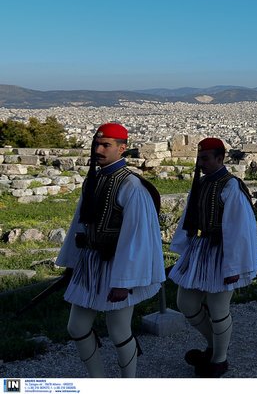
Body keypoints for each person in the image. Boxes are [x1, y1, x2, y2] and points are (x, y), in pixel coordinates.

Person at [55, 123, 164, 378]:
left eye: (106, 145)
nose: (99, 149)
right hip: (90, 263)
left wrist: (124, 282)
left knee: (119, 332)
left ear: (122, 149)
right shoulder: (93, 180)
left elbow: (137, 237)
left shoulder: (132, 187)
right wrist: (71, 263)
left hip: (118, 268)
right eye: (97, 144)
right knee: (77, 327)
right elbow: (79, 225)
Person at [168, 137, 257, 378]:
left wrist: (234, 266)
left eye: (206, 158)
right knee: (186, 302)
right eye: (199, 158)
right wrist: (184, 245)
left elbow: (238, 229)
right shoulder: (202, 184)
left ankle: (219, 359)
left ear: (220, 159)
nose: (201, 163)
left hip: (223, 252)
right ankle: (215, 344)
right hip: (200, 249)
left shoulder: (230, 186)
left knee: (219, 308)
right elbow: (190, 217)